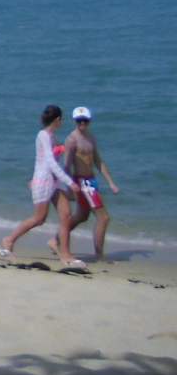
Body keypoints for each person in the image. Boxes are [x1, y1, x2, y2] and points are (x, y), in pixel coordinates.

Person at [0, 104, 84, 268]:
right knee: (39, 218)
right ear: (57, 119)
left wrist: (65, 149)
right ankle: (9, 240)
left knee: (66, 215)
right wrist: (70, 182)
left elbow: (48, 158)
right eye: (61, 119)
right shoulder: (43, 135)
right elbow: (49, 163)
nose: (62, 122)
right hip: (44, 181)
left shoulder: (52, 137)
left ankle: (66, 254)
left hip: (55, 182)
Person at [64, 106, 120, 262]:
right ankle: (99, 255)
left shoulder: (91, 137)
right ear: (75, 121)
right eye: (79, 121)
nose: (82, 123)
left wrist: (111, 183)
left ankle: (56, 240)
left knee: (82, 216)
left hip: (91, 181)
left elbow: (98, 161)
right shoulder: (71, 140)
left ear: (89, 121)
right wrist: (69, 187)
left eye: (85, 120)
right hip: (82, 182)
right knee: (104, 217)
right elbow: (67, 166)